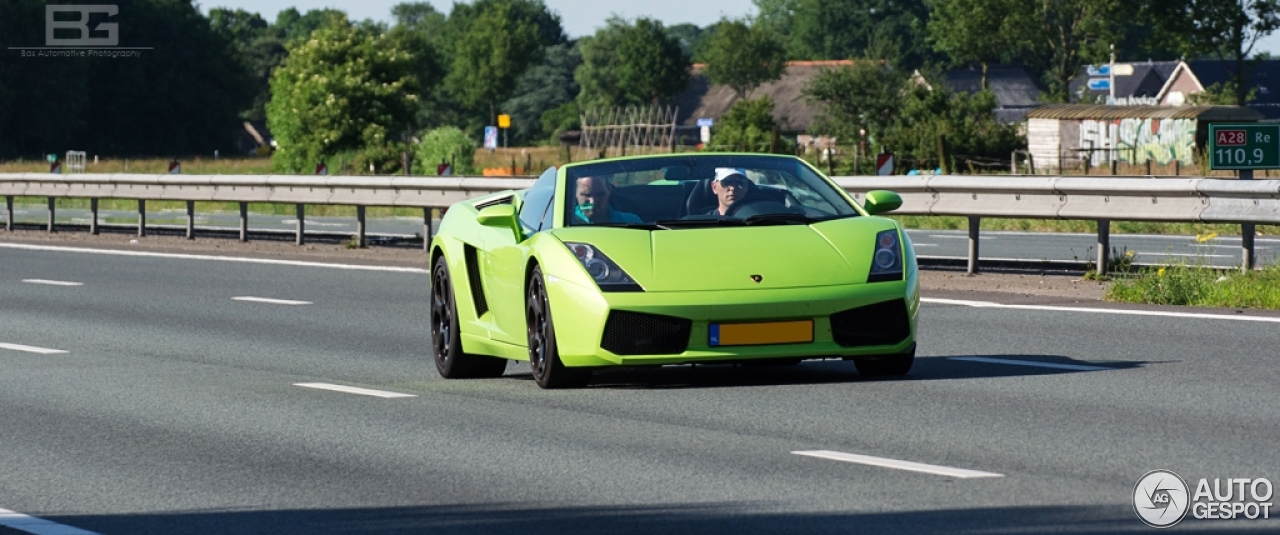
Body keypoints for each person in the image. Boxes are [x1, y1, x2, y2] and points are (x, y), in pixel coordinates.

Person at [574, 175, 642, 224]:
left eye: (600, 194)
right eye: (586, 195)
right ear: (574, 192)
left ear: (609, 190)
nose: (593, 202)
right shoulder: (565, 222)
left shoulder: (632, 222)